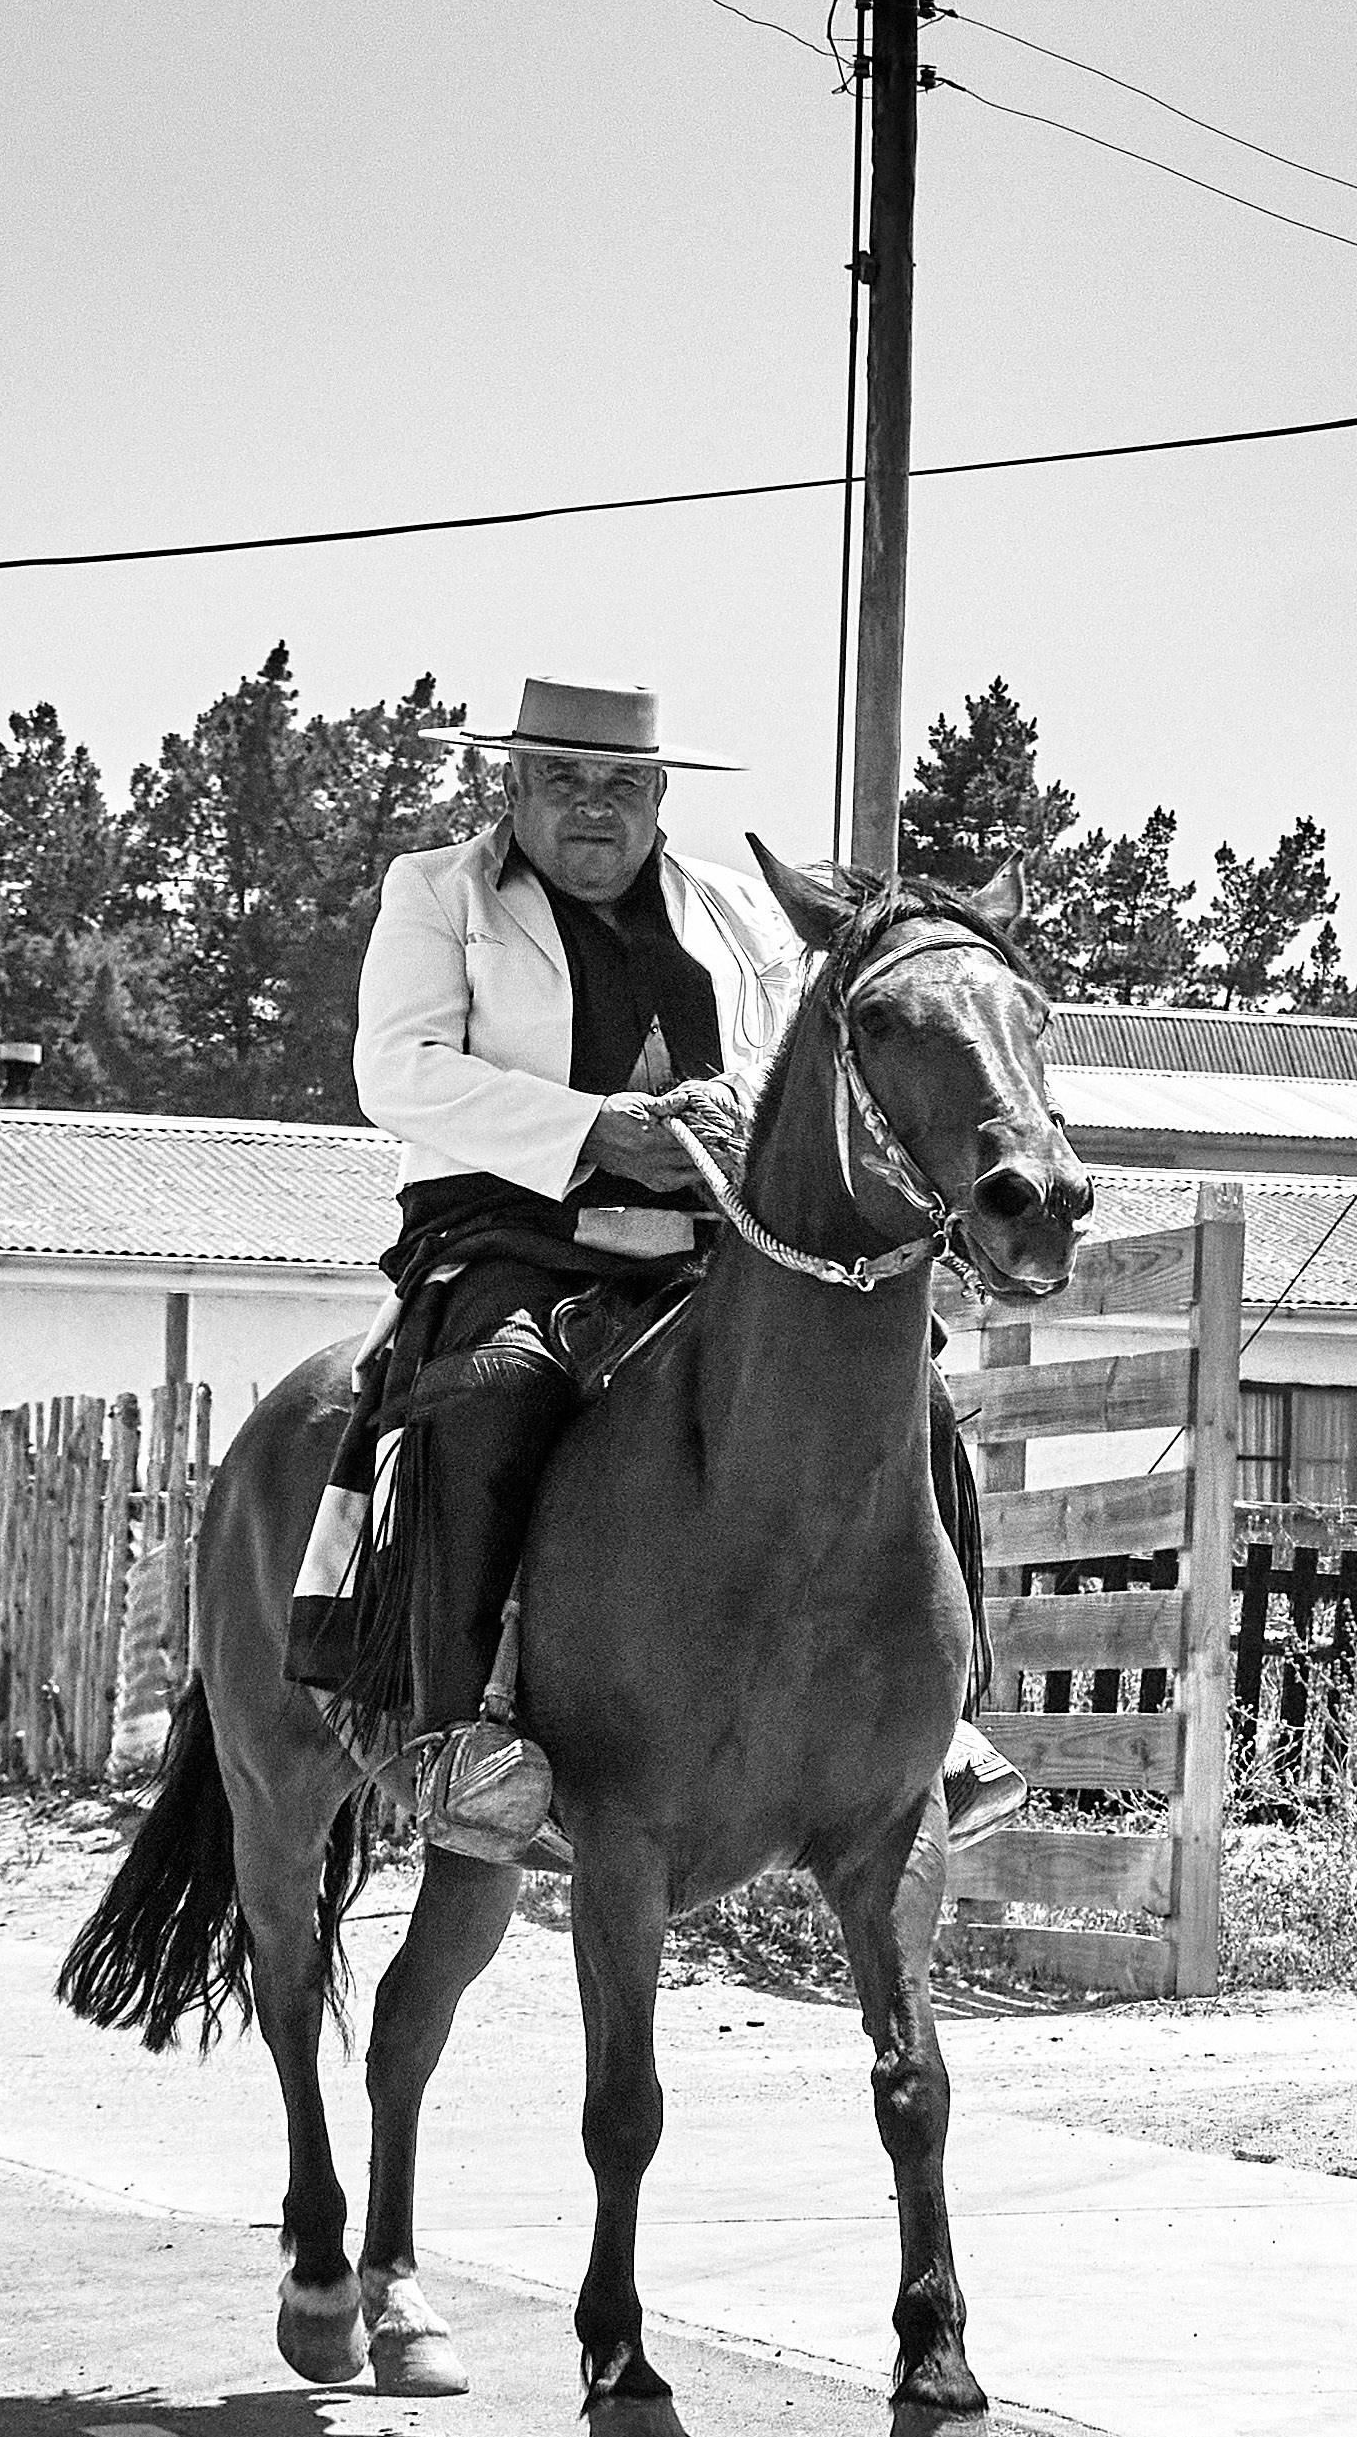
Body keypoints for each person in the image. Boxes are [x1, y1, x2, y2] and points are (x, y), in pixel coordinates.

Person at [350, 672, 1027, 1867]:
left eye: (621, 783)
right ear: (511, 784)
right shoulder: (437, 893)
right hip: (513, 1234)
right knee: (491, 1394)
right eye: (563, 778)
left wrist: (734, 1122)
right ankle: (465, 1737)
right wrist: (593, 1131)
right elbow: (397, 1070)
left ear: (660, 795)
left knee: (909, 1390)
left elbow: (797, 1067)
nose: (592, 805)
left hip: (719, 1248)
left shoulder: (735, 910)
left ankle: (945, 1722)